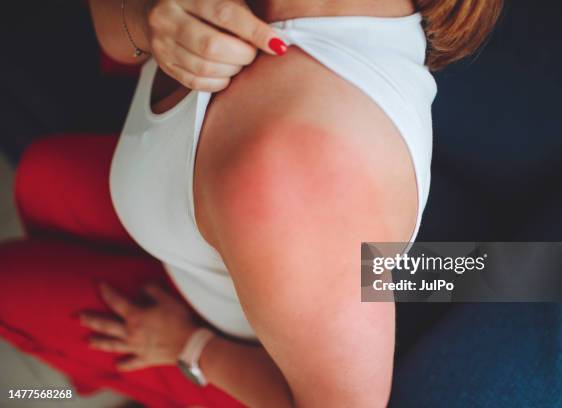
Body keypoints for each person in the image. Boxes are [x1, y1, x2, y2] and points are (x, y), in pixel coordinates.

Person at [0, 0, 502, 406]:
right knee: (41, 177)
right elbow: (114, 34)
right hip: (194, 239)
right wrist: (149, 22)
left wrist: (189, 347)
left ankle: (123, 381)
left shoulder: (301, 173)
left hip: (240, 356)